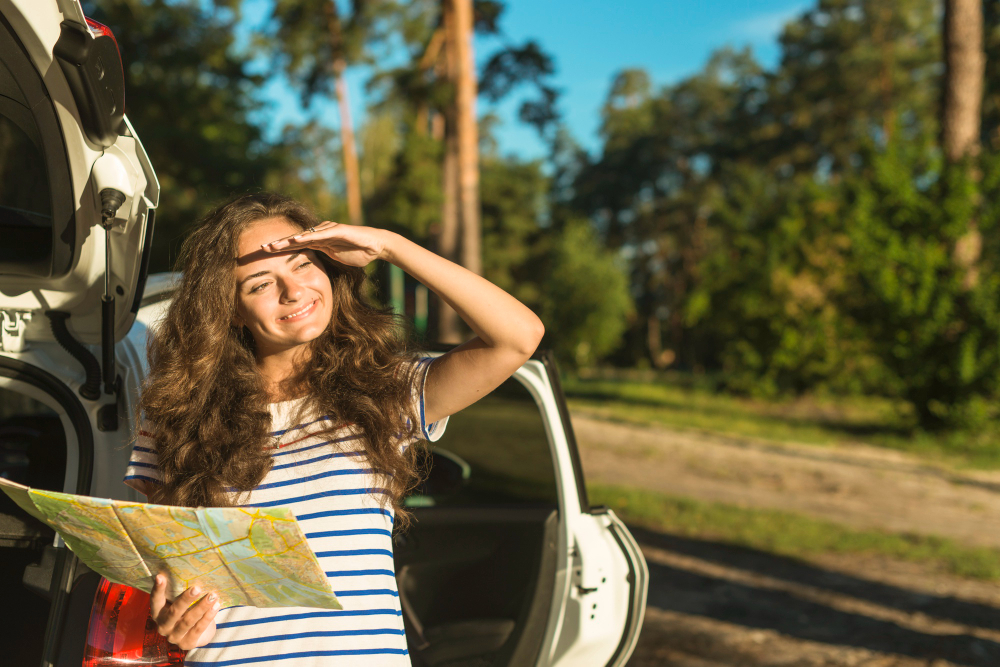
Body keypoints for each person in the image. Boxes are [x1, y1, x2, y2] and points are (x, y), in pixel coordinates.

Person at [123, 192, 544, 665]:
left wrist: (390, 245)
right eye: (261, 283)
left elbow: (518, 337)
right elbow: (165, 574)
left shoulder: (385, 392)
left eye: (303, 265)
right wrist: (172, 622)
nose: (293, 291)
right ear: (230, 309)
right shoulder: (176, 415)